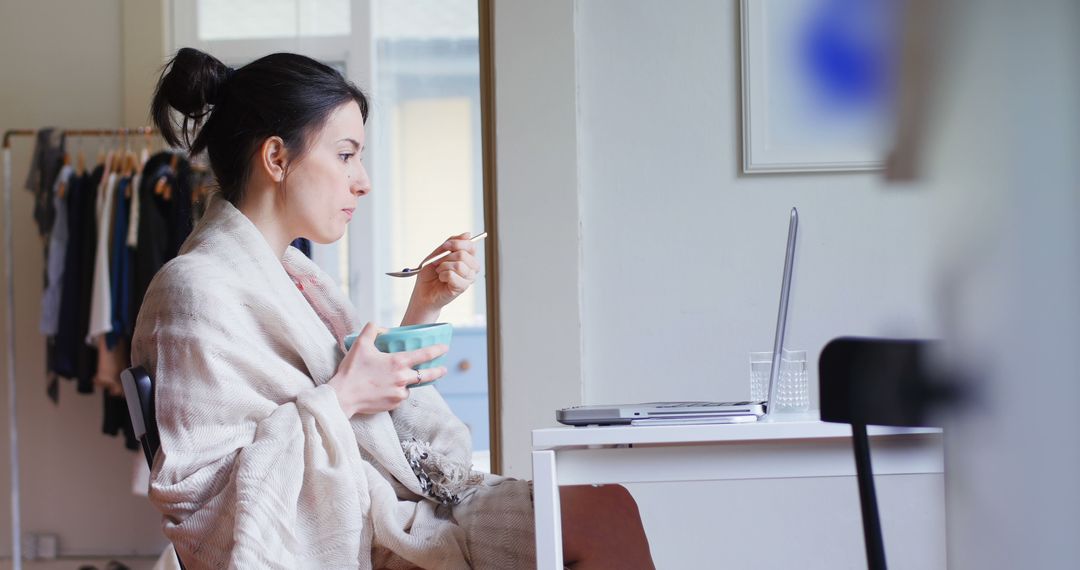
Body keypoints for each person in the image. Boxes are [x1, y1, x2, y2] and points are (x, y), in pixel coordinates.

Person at [133, 48, 655, 569]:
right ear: (276, 158)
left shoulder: (295, 277)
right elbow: (209, 511)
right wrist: (341, 398)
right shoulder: (195, 291)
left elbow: (378, 424)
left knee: (608, 506)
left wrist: (421, 310)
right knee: (603, 520)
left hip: (390, 508)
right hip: (359, 531)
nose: (363, 180)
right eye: (345, 154)